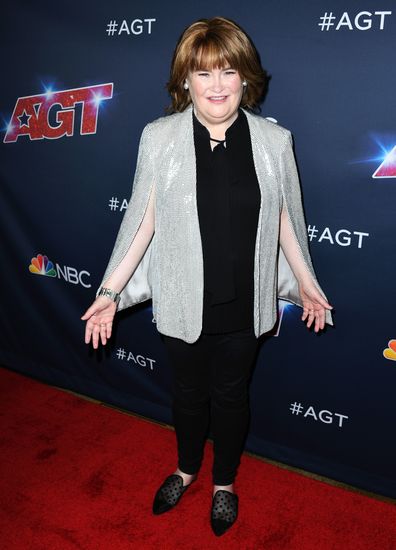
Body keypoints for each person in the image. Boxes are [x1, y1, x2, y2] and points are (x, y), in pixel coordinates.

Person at [81, 17, 333, 537]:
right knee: (188, 395)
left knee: (233, 396)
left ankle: (224, 484)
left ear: (245, 77)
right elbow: (141, 222)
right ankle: (186, 467)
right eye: (203, 73)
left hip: (244, 306)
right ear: (185, 81)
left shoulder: (273, 141)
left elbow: (288, 219)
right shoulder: (159, 138)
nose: (217, 85)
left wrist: (305, 281)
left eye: (228, 71)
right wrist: (108, 293)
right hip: (180, 300)